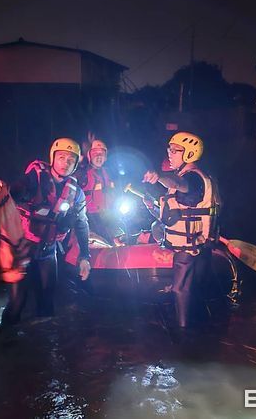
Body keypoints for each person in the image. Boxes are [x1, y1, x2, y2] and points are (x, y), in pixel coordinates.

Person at [0, 138, 92, 326]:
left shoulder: (77, 193)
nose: (65, 163)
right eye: (61, 157)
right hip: (22, 247)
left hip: (48, 250)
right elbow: (15, 190)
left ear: (76, 163)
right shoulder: (34, 178)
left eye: (71, 160)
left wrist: (85, 256)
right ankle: (5, 342)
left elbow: (82, 223)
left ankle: (45, 346)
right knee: (17, 302)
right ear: (52, 158)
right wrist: (3, 189)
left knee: (47, 301)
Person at [142, 131, 220, 328]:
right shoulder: (195, 177)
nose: (170, 153)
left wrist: (159, 176)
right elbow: (173, 217)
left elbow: (179, 184)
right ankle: (203, 325)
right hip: (197, 246)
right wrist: (152, 207)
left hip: (189, 248)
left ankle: (183, 333)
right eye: (169, 149)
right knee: (192, 288)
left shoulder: (192, 178)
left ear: (189, 154)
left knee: (180, 289)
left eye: (175, 150)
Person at [75, 137, 125, 245]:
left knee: (123, 235)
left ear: (106, 157)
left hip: (110, 215)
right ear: (89, 155)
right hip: (91, 218)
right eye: (95, 154)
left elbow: (118, 189)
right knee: (105, 241)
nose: (98, 156)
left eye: (101, 154)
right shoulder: (82, 173)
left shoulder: (110, 173)